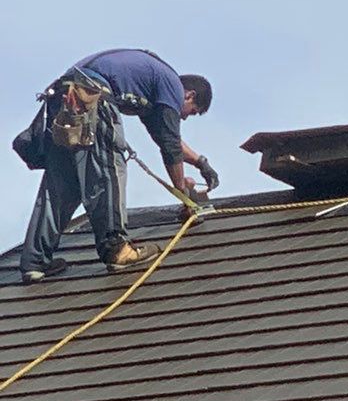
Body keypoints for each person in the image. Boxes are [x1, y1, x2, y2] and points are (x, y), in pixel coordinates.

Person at [14, 52, 216, 284]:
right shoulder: (171, 85)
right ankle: (117, 250)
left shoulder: (151, 86)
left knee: (62, 186)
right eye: (192, 111)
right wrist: (185, 197)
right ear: (189, 95)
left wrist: (201, 162)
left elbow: (168, 139)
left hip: (64, 98)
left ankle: (35, 262)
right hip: (92, 97)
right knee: (109, 170)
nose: (187, 117)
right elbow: (170, 146)